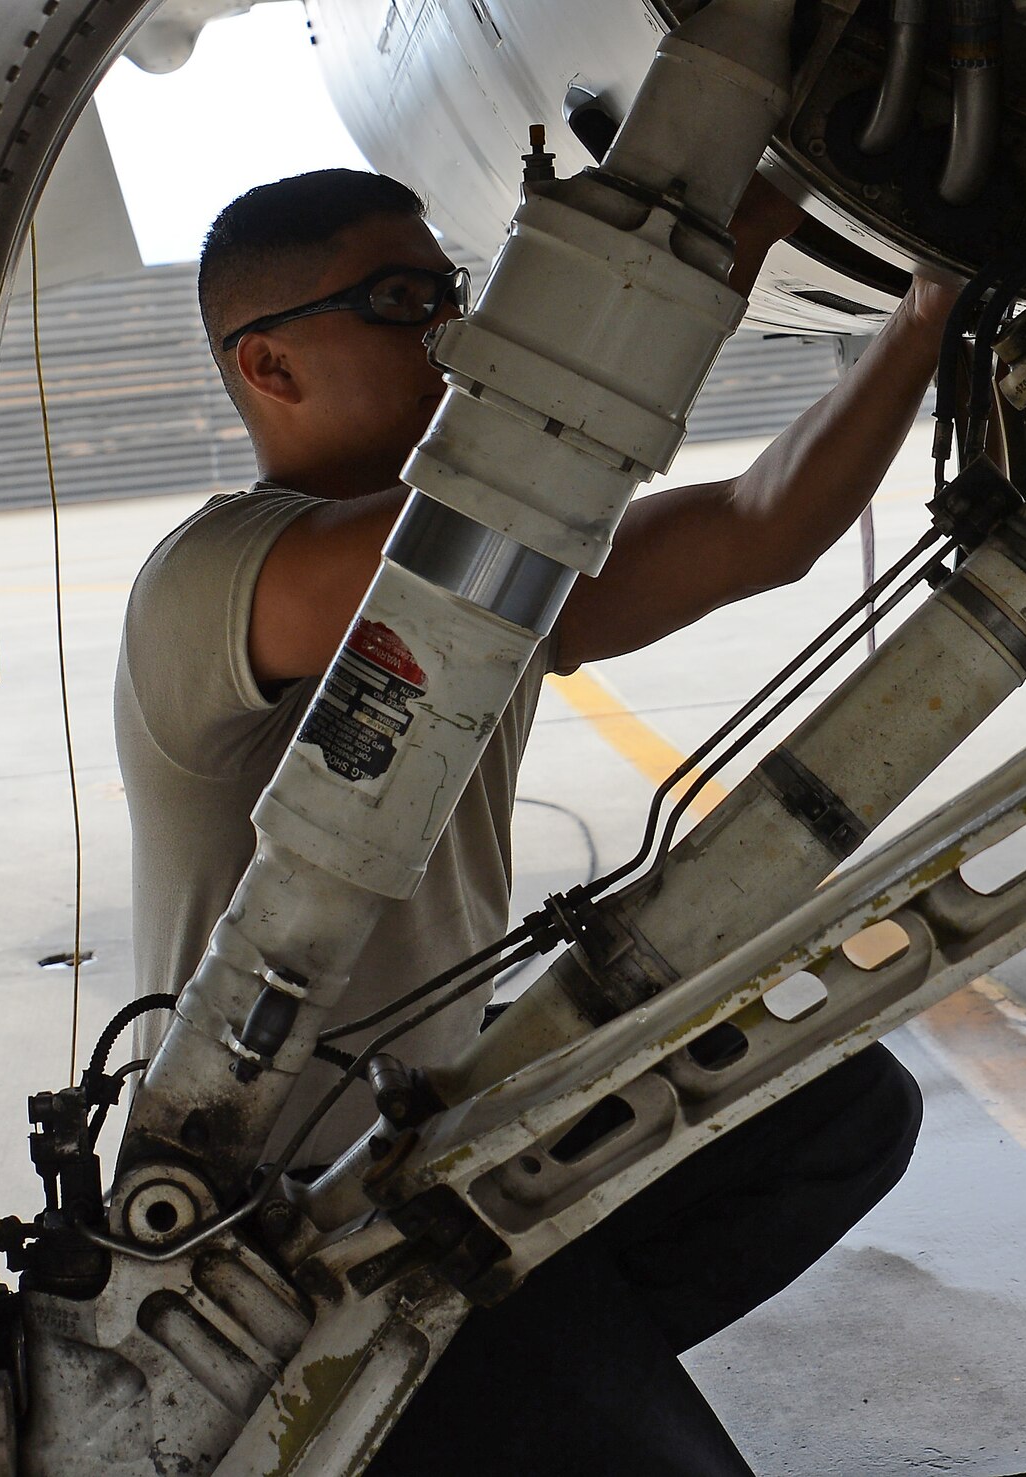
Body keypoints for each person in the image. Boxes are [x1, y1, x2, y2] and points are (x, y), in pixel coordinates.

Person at [114, 167, 951, 1472]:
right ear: (269, 364)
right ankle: (470, 1378)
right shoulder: (222, 577)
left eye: (452, 294)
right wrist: (697, 269)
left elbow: (758, 524)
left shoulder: (486, 577)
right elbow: (471, 534)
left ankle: (511, 1353)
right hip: (276, 1235)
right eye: (400, 302)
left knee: (834, 1109)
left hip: (439, 1140)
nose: (453, 337)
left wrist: (930, 307)